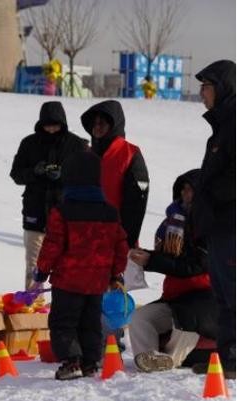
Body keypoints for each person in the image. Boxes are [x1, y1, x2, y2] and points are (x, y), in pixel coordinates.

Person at [30, 149, 128, 380]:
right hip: (97, 281)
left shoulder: (63, 211)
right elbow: (121, 246)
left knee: (63, 321)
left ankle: (72, 361)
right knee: (90, 322)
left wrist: (41, 271)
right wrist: (115, 273)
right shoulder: (110, 212)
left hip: (68, 280)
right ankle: (90, 362)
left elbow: (52, 245)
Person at [128, 170, 220, 373]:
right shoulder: (171, 223)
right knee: (140, 317)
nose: (185, 194)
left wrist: (151, 260)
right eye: (183, 189)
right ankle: (148, 357)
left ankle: (169, 359)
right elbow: (170, 258)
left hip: (205, 299)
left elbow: (195, 266)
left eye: (191, 190)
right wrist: (145, 256)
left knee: (187, 317)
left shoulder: (212, 226)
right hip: (174, 296)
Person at [10, 101, 88, 288]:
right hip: (35, 213)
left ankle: (63, 301)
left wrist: (64, 175)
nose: (51, 129)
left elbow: (88, 178)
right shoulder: (29, 143)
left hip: (65, 215)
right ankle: (32, 301)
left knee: (65, 264)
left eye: (55, 125)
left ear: (63, 123)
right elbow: (16, 174)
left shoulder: (77, 145)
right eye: (47, 125)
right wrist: (35, 172)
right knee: (34, 264)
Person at [192, 59, 235, 376]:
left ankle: (233, 358)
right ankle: (225, 358)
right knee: (221, 295)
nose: (201, 93)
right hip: (218, 226)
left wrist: (210, 194)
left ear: (221, 88)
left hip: (231, 224)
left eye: (205, 87)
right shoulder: (223, 125)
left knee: (233, 293)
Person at [80, 100, 148, 248]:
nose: (97, 127)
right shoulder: (86, 154)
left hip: (117, 240)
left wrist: (126, 241)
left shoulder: (130, 153)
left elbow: (137, 204)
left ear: (113, 125)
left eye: (102, 123)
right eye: (94, 123)